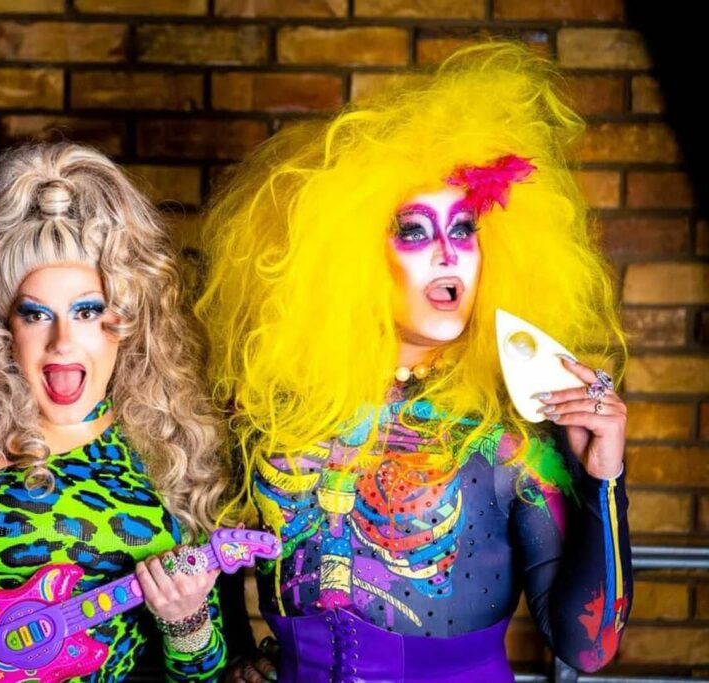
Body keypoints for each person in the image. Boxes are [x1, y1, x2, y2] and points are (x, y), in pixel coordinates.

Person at [198, 42, 632, 682]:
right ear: (351, 254)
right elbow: (215, 579)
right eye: (414, 230)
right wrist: (237, 656)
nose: (447, 254)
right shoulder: (269, 414)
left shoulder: (514, 433)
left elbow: (588, 648)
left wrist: (606, 480)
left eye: (464, 230)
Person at [0, 142, 230, 681]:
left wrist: (187, 621)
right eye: (34, 315)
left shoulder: (166, 455)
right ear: (1, 327)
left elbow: (201, 676)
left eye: (87, 311)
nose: (62, 341)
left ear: (124, 322)